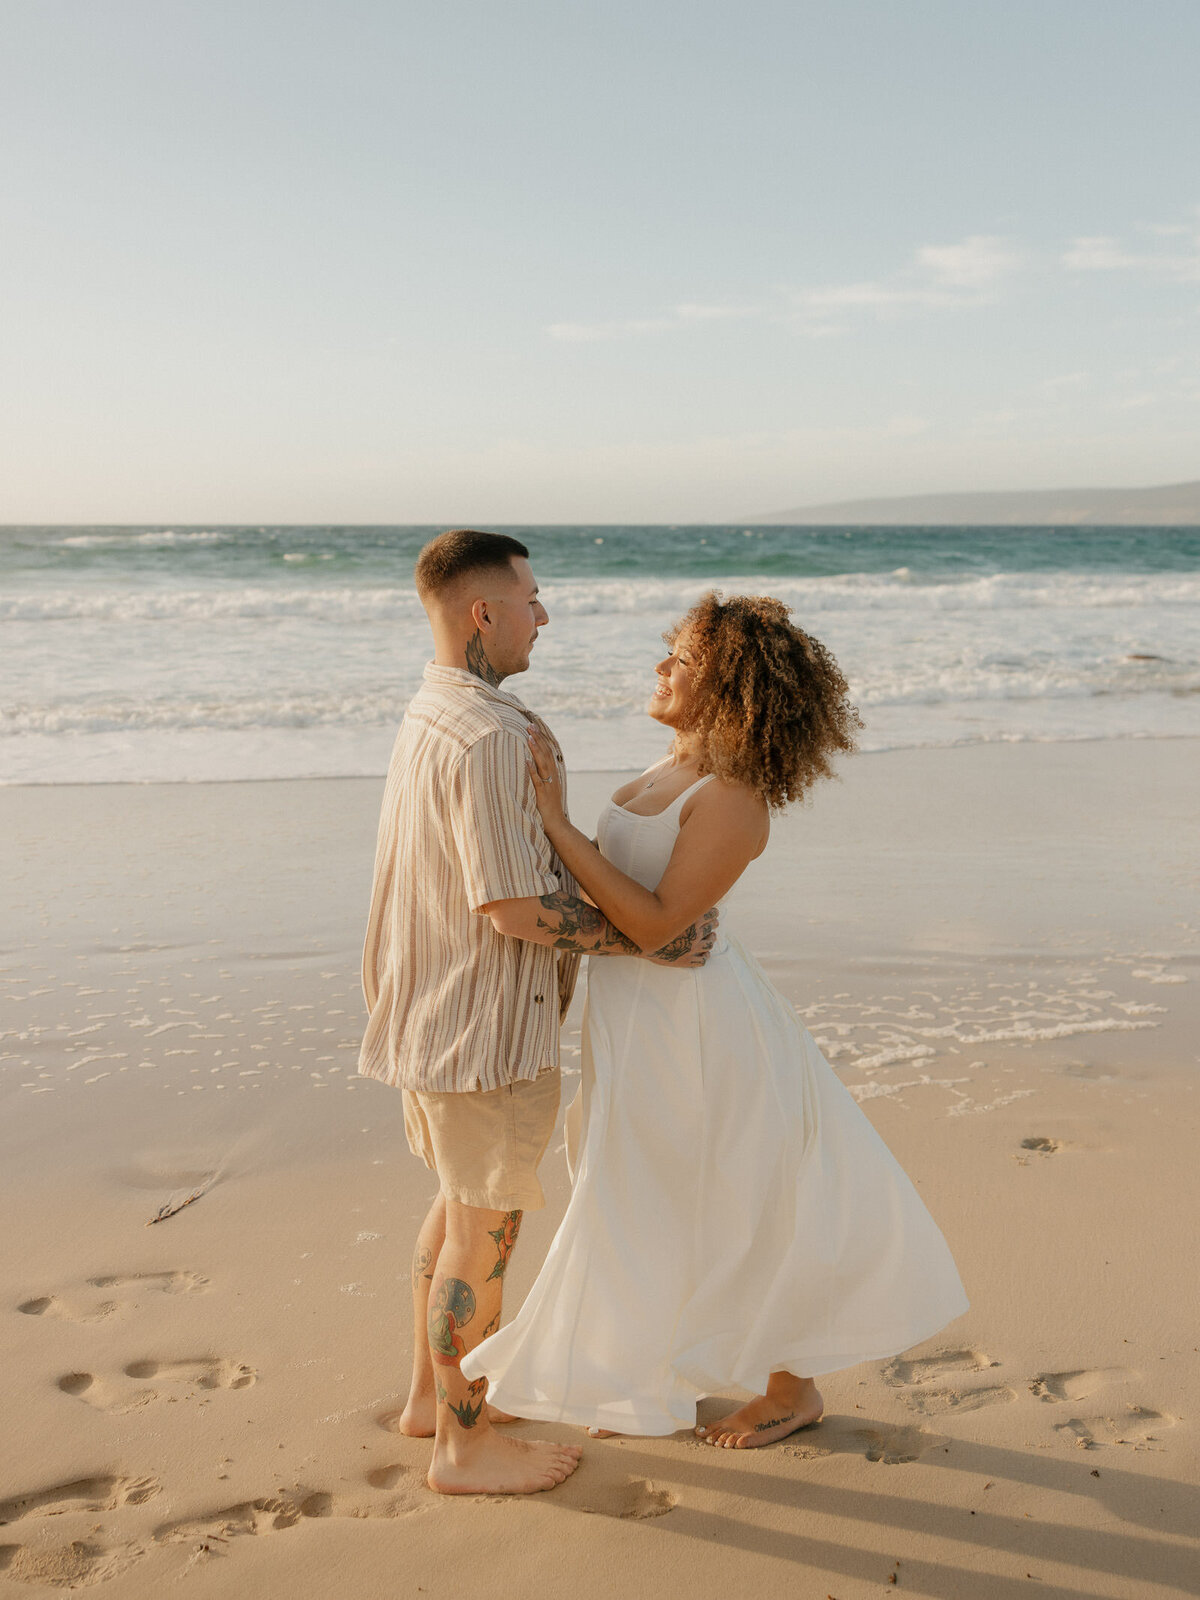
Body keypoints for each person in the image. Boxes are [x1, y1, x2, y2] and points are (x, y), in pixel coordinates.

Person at [462, 591, 969, 1447]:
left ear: (730, 689)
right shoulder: (669, 767)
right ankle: (596, 1368)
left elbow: (657, 922)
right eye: (669, 652)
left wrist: (553, 822)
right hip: (638, 1017)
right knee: (632, 1188)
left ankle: (788, 1388)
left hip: (699, 1027)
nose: (662, 666)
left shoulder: (733, 798)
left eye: (684, 662)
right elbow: (621, 897)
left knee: (735, 1201)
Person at [357, 529, 719, 1495]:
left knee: (454, 1214)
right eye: (531, 598)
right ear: (485, 611)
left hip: (428, 1012)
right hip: (485, 1029)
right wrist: (649, 938)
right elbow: (514, 909)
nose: (543, 616)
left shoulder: (436, 711)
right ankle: (463, 1448)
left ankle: (437, 1400)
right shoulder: (490, 735)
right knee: (485, 1232)